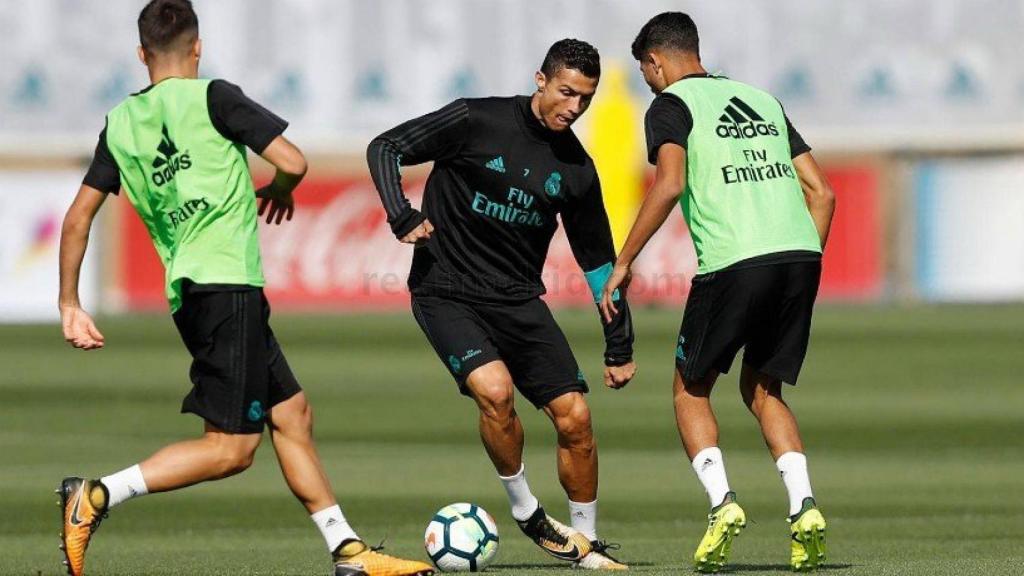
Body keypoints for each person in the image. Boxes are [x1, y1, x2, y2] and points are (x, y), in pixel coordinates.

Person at [56, 2, 434, 575]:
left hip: (194, 290)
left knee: (292, 415)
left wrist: (69, 303)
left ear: (141, 55)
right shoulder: (215, 97)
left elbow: (79, 218)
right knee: (231, 450)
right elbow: (294, 160)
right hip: (226, 282)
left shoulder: (120, 124)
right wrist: (281, 186)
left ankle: (348, 552)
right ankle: (99, 494)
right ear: (198, 47)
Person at [367, 39, 635, 571]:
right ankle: (526, 510)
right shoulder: (475, 119)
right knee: (494, 390)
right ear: (540, 79)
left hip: (516, 299)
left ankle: (585, 544)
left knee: (576, 418)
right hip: (445, 290)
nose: (574, 108)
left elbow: (601, 265)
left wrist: (618, 343)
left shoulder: (577, 169)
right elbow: (385, 147)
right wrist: (401, 214)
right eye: (565, 92)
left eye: (585, 98)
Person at [601, 12, 836, 573]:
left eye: (645, 72)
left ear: (655, 62)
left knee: (690, 389)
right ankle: (804, 509)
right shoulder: (762, 100)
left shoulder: (670, 107)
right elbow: (822, 194)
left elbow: (671, 182)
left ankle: (722, 505)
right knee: (764, 387)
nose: (648, 83)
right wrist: (801, 266)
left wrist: (625, 261)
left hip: (733, 261)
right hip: (798, 256)